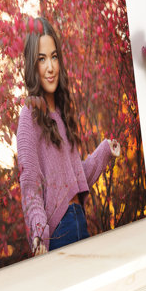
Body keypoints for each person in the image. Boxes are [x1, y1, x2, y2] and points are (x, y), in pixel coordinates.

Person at [16, 17, 120, 256]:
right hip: (60, 231)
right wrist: (39, 232)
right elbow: (30, 186)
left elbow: (75, 178)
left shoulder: (62, 114)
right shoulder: (29, 115)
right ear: (33, 66)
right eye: (42, 59)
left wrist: (105, 150)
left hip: (80, 221)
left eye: (54, 57)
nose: (50, 67)